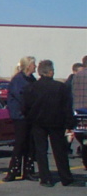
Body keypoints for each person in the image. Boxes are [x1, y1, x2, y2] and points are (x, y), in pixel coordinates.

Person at [24, 59, 76, 187]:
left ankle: (45, 178)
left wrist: (30, 118)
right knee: (60, 151)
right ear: (51, 72)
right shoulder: (60, 87)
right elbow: (67, 107)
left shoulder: (32, 87)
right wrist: (69, 123)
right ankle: (65, 177)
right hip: (56, 122)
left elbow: (25, 106)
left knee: (41, 151)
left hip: (38, 122)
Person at [3, 56, 37, 182]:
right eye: (34, 64)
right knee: (20, 143)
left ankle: (28, 170)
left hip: (30, 116)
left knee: (30, 144)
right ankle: (13, 170)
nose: (35, 66)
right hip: (20, 116)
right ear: (28, 65)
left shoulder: (32, 79)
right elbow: (20, 97)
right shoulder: (18, 80)